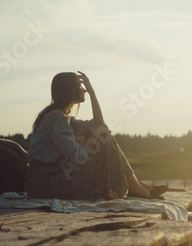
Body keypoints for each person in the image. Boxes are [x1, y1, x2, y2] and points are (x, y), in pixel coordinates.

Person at [26, 71, 168, 200]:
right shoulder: (56, 119)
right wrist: (93, 137)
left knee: (105, 138)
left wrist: (93, 93)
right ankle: (137, 188)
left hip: (55, 175)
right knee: (104, 139)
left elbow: (99, 124)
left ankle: (138, 186)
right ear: (69, 90)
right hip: (46, 182)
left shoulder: (64, 118)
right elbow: (77, 157)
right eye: (80, 86)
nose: (84, 90)